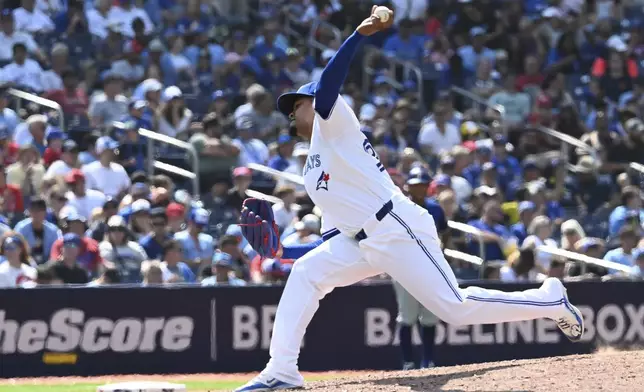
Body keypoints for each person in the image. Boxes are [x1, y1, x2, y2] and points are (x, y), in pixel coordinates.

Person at [236, 7, 583, 392]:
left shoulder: (334, 124)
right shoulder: (312, 171)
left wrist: (358, 36)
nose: (291, 113)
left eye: (296, 104)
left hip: (396, 226)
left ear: (313, 102)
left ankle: (549, 299)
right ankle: (281, 371)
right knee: (305, 274)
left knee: (454, 308)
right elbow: (333, 241)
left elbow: (329, 84)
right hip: (363, 241)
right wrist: (284, 249)